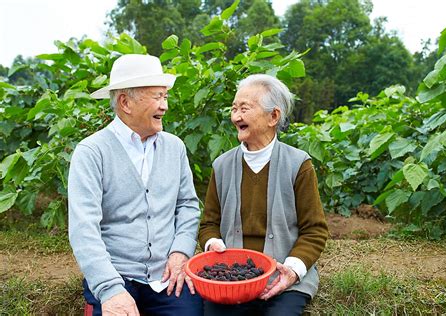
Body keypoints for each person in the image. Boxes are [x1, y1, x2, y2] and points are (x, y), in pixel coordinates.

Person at [68, 54, 203, 315]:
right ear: (125, 102)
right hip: (116, 276)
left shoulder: (174, 147)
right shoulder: (92, 152)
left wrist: (180, 252)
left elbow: (187, 205)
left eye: (165, 96)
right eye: (157, 97)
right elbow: (84, 228)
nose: (164, 106)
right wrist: (110, 289)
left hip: (167, 277)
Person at [198, 74, 329, 316]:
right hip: (232, 278)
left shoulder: (298, 164)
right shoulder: (222, 166)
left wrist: (292, 270)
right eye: (234, 108)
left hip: (282, 279)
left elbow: (315, 230)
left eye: (244, 108)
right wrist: (212, 243)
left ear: (273, 116)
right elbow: (209, 224)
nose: (236, 116)